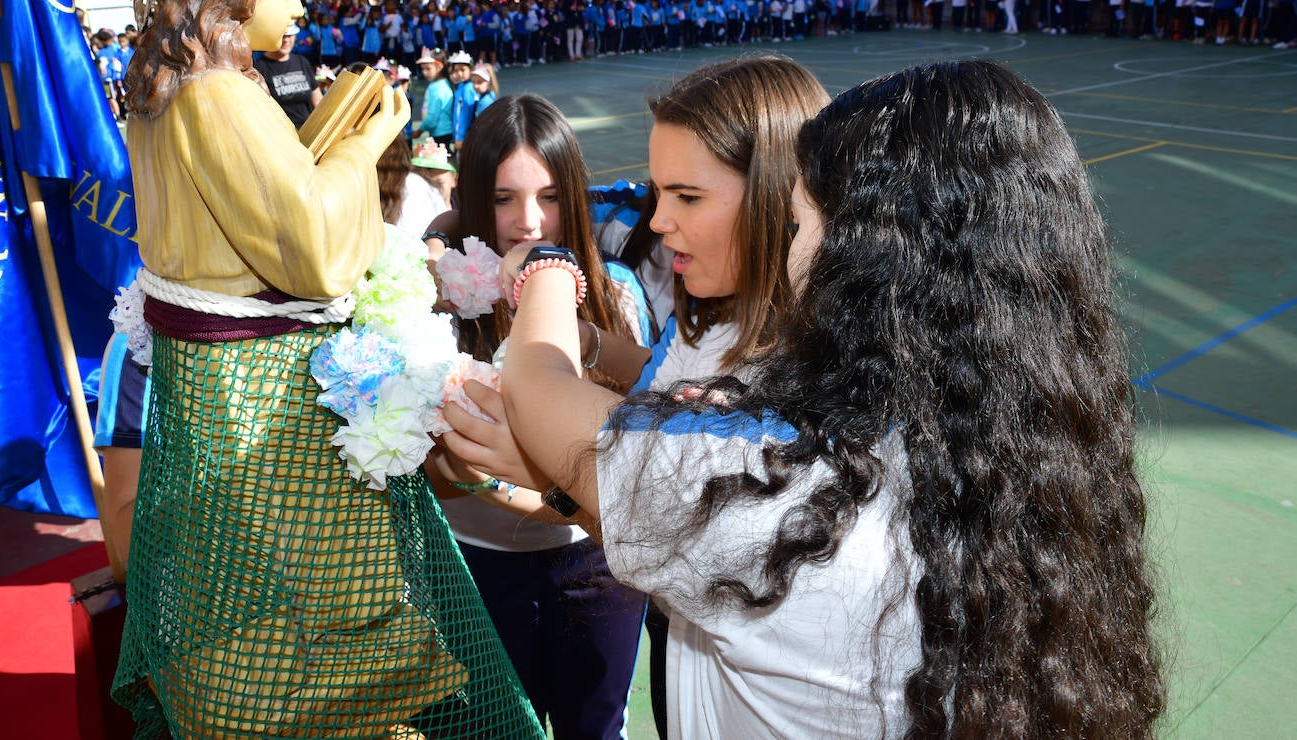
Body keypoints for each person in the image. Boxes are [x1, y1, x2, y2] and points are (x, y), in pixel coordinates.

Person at [453, 59, 1164, 737]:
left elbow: (543, 396)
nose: (791, 249)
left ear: (872, 258)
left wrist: (545, 269)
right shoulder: (988, 452)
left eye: (799, 222)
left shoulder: (791, 497)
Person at [113, 0, 539, 738]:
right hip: (261, 401)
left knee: (264, 604)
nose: (301, 3)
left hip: (221, 385)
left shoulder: (172, 95)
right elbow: (310, 249)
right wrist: (365, 141)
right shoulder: (214, 96)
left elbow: (253, 220)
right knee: (321, 625)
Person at [443, 56, 830, 737]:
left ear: (777, 196)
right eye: (659, 195)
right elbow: (655, 387)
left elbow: (559, 405)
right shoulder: (705, 321)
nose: (656, 222)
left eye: (687, 197)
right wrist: (593, 349)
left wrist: (547, 275)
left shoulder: (804, 384)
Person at [423, 94, 652, 740]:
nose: (529, 222)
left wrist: (508, 476)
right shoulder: (432, 302)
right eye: (502, 199)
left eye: (549, 196)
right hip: (476, 568)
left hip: (598, 568)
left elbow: (643, 445)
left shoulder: (614, 293)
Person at [255, 23, 320, 128]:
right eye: (281, 36)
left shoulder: (302, 61)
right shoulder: (258, 68)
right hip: (282, 134)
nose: (286, 40)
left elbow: (317, 101)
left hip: (309, 130)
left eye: (289, 36)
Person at [416, 48, 455, 149]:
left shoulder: (438, 89)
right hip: (441, 131)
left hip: (440, 133)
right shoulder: (438, 84)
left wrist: (420, 130)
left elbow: (433, 117)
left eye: (428, 69)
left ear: (438, 67)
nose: (424, 72)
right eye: (422, 69)